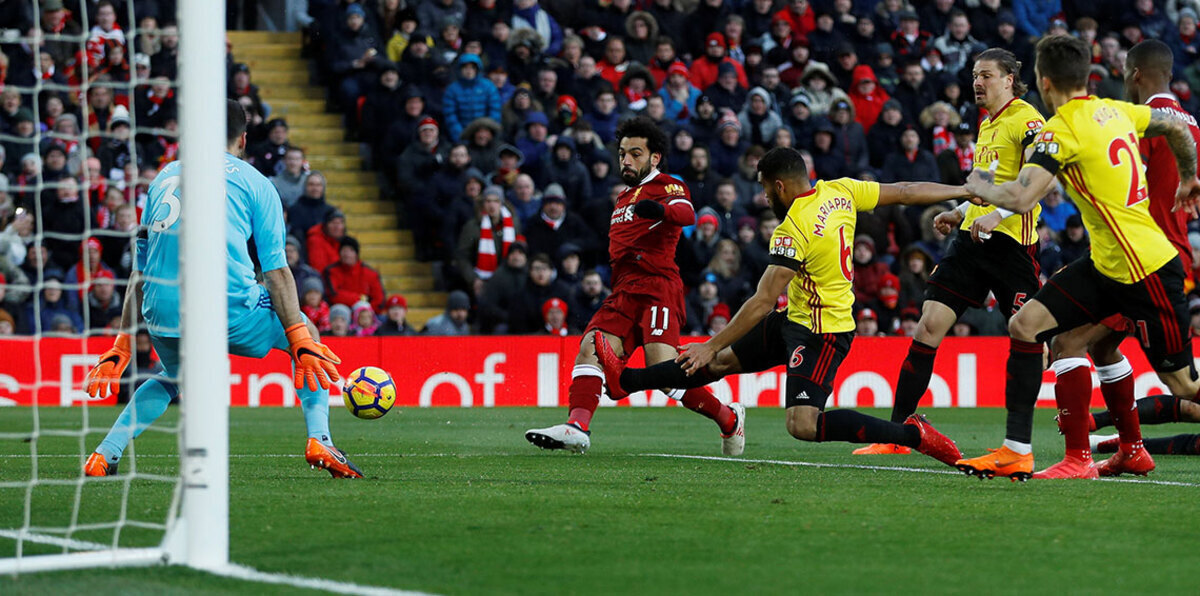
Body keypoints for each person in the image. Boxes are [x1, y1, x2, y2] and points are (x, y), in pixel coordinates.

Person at [594, 147, 967, 464]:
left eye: (763, 189)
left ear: (779, 186)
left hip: (823, 332)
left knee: (802, 424)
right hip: (794, 317)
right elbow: (903, 190)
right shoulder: (842, 191)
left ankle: (912, 434)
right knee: (717, 364)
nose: (763, 198)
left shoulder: (793, 231)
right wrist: (961, 189)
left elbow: (761, 301)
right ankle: (625, 381)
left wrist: (710, 342)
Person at [81, 100, 362, 479]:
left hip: (160, 312)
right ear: (243, 139)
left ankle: (103, 455)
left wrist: (122, 344)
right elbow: (276, 271)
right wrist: (297, 335)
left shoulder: (163, 177)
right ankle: (321, 440)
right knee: (307, 337)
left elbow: (139, 271)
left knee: (172, 376)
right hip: (226, 309)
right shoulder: (255, 183)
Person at [960, 36, 1200, 480]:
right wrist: (1189, 177)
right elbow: (1175, 126)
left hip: (1145, 270)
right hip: (1108, 265)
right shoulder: (1116, 110)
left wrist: (981, 187)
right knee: (1027, 324)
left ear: (1043, 81)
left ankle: (1104, 452)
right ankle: (1023, 450)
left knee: (1184, 385)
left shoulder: (1061, 129)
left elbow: (1022, 196)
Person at [852, 49, 1047, 460]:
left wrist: (996, 216)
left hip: (1012, 245)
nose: (978, 82)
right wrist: (958, 211)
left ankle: (1028, 435)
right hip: (972, 242)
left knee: (1031, 337)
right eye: (976, 75)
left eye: (987, 75)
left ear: (1010, 78)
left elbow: (1041, 183)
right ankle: (897, 434)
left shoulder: (1028, 120)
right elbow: (986, 187)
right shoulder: (987, 124)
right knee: (927, 327)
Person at [524, 116, 744, 456]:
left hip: (658, 287)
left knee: (664, 374)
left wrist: (660, 209)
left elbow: (687, 213)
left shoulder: (667, 185)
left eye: (636, 153)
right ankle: (577, 426)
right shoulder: (623, 198)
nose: (626, 160)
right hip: (624, 292)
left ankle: (729, 418)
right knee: (590, 348)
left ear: (654, 157)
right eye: (623, 153)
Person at [1052, 40, 1200, 465]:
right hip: (1169, 252)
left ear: (1134, 73)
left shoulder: (1138, 124)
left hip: (1145, 261)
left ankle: (1080, 457)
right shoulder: (1190, 124)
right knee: (1100, 349)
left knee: (1069, 343)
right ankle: (1129, 450)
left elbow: (1114, 182)